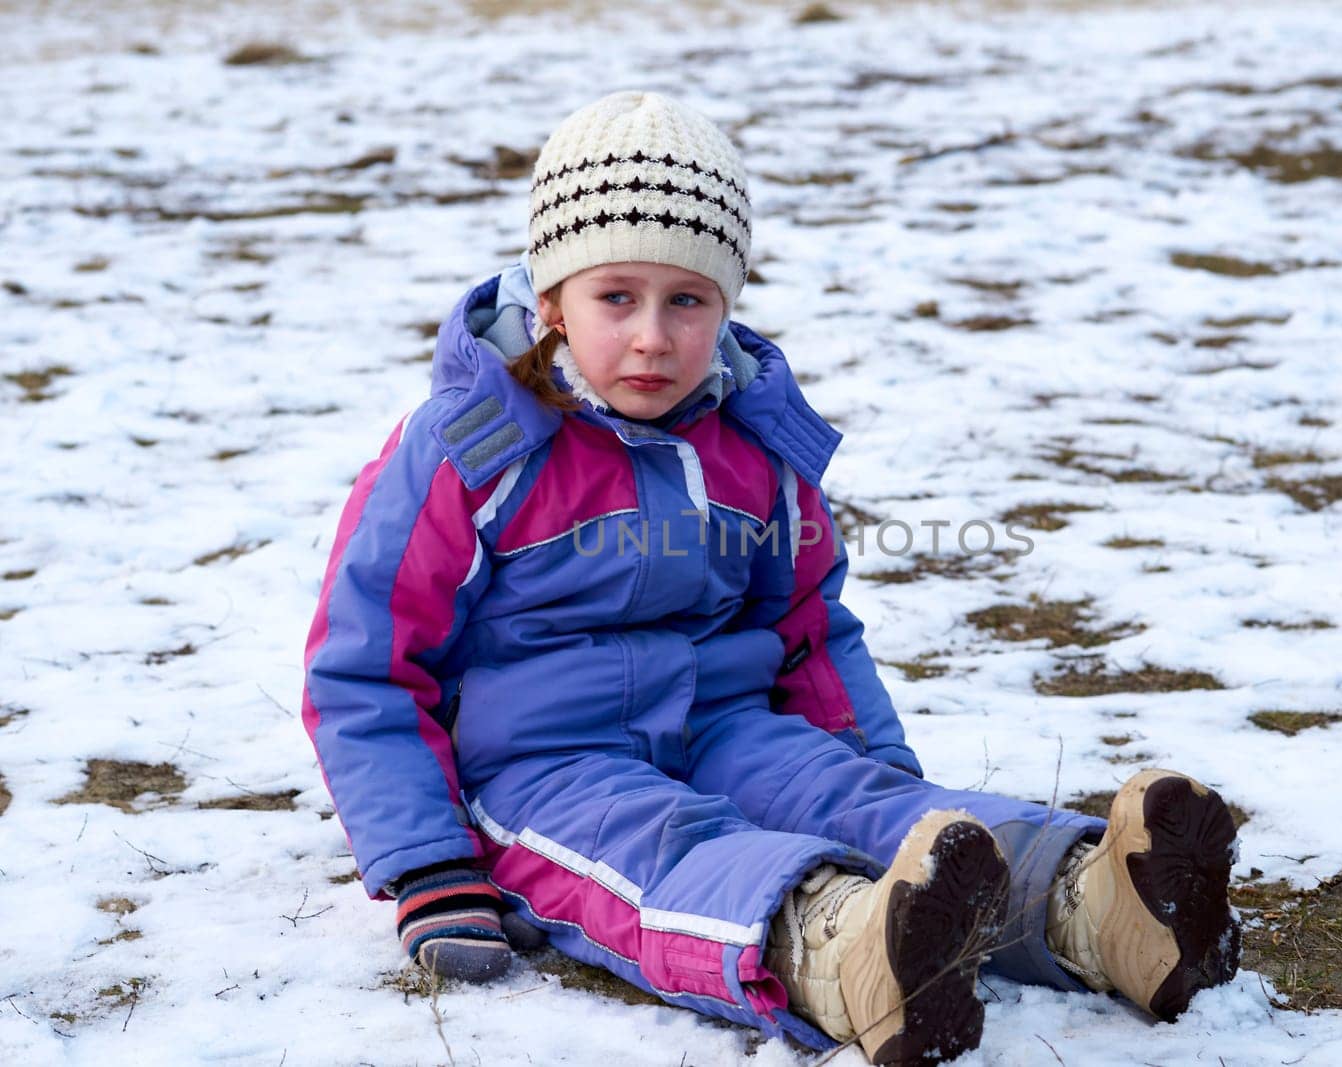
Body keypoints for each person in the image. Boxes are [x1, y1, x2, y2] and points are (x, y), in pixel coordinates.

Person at [302, 91, 1241, 1064]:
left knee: (849, 797)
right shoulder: (476, 451)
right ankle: (843, 946)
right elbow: (365, 664)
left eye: (688, 300)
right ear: (550, 300)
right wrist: (426, 860)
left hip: (726, 722)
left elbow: (806, 624)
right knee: (662, 848)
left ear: (729, 300)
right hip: (543, 762)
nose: (653, 337)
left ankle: (1101, 901)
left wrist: (876, 770)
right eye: (615, 297)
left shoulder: (752, 444)